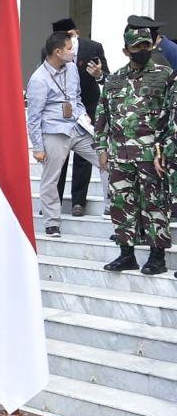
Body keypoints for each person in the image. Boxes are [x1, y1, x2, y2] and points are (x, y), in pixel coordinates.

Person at [95, 26, 173, 274]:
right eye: (136, 47)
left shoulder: (165, 75)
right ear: (126, 50)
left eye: (145, 46)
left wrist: (166, 150)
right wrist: (101, 147)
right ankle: (126, 254)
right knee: (121, 204)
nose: (142, 51)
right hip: (120, 154)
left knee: (155, 205)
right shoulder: (114, 79)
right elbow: (102, 114)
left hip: (152, 155)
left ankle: (156, 257)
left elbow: (171, 117)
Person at [26, 32, 109, 239]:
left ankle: (112, 208)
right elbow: (33, 117)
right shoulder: (38, 79)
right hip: (54, 131)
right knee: (50, 178)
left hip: (77, 127)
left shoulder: (71, 68)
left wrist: (82, 115)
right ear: (58, 52)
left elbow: (75, 97)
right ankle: (52, 222)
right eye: (70, 48)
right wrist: (37, 147)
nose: (74, 51)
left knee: (107, 161)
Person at [48, 18, 108, 217]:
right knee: (60, 157)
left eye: (72, 36)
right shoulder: (50, 51)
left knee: (84, 158)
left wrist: (99, 74)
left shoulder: (93, 47)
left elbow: (107, 77)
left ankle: (78, 202)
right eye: (66, 38)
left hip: (88, 109)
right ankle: (54, 202)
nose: (70, 41)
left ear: (77, 33)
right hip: (61, 113)